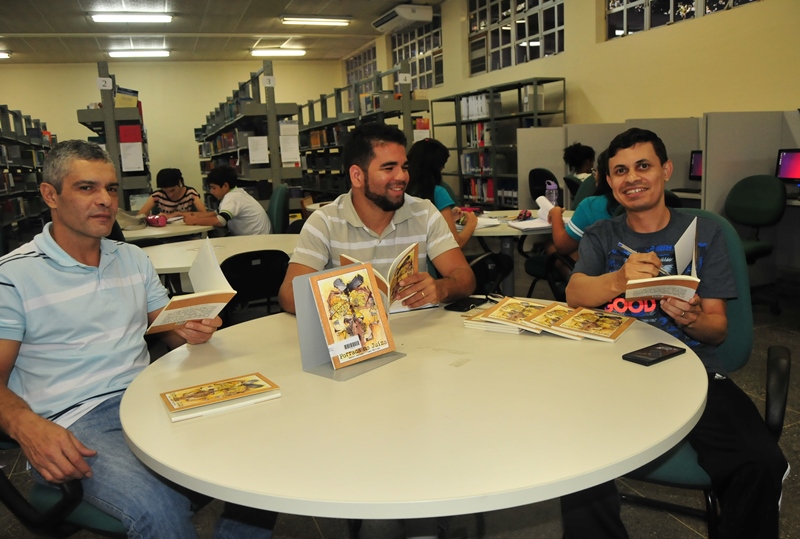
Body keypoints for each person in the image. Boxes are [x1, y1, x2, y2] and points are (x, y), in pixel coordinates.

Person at [0, 140, 275, 538]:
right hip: (74, 421)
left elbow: (168, 330)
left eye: (111, 189)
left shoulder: (131, 259)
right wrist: (26, 426)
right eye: (86, 188)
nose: (104, 201)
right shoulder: (13, 276)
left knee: (263, 450)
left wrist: (190, 330)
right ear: (50, 196)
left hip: (148, 397)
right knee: (159, 507)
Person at [560, 128, 789, 539]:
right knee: (575, 463)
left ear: (665, 170)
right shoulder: (602, 236)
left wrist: (691, 319)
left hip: (694, 373)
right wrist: (617, 280)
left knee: (760, 463)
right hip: (611, 376)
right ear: (609, 182)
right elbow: (575, 294)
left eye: (643, 166)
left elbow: (717, 329)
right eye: (620, 171)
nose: (632, 178)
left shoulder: (707, 232)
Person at [278, 122, 475, 317]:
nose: (402, 176)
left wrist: (441, 288)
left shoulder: (424, 213)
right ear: (357, 176)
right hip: (356, 339)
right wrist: (340, 297)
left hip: (418, 332)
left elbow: (465, 277)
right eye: (389, 168)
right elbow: (288, 294)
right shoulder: (324, 222)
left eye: (404, 167)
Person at [406, 137, 477, 248]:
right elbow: (454, 244)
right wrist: (471, 224)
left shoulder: (402, 192)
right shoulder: (438, 193)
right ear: (437, 167)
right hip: (435, 262)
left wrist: (446, 217)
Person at [548, 149, 618, 258]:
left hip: (605, 266)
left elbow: (562, 246)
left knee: (551, 247)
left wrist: (556, 212)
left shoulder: (591, 206)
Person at [183, 165, 271, 235]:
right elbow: (216, 213)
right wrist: (197, 217)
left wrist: (195, 220)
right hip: (259, 237)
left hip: (256, 241)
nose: (211, 192)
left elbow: (221, 221)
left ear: (225, 186)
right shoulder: (237, 192)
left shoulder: (231, 198)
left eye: (214, 188)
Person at [136, 168, 205, 218]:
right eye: (165, 191)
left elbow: (204, 214)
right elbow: (140, 216)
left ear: (180, 183)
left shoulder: (190, 194)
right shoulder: (157, 196)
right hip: (165, 234)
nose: (170, 194)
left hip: (189, 232)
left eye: (173, 190)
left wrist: (176, 214)